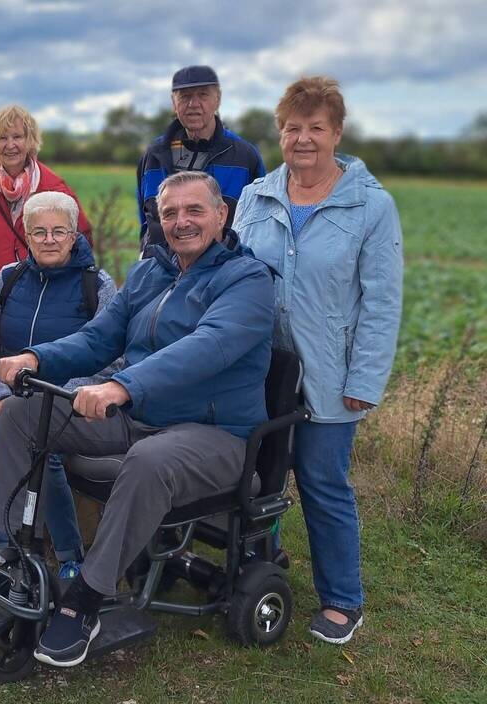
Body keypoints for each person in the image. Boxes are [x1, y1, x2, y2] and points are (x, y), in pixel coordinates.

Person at [0, 172, 274, 668]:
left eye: (194, 210)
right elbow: (98, 337)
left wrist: (122, 386)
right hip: (140, 415)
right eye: (169, 213)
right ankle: (14, 557)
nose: (181, 222)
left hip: (216, 435)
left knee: (149, 461)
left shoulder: (247, 281)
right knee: (23, 413)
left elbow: (207, 347)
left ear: (222, 215)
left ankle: (86, 599)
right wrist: (36, 358)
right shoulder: (151, 274)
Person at [234, 76, 403, 645]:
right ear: (280, 133)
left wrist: (366, 378)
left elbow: (381, 301)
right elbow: (232, 275)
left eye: (315, 128)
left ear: (336, 133)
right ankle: (258, 567)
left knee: (321, 479)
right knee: (257, 473)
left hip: (330, 371)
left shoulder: (369, 206)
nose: (303, 139)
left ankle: (341, 599)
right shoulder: (256, 197)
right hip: (260, 369)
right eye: (292, 128)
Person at [0, 191, 118, 609]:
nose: (48, 239)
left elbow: (110, 351)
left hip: (68, 398)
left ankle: (68, 555)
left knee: (47, 447)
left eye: (58, 231)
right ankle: (8, 554)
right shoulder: (9, 277)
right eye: (38, 231)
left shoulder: (95, 284)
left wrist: (66, 395)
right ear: (25, 234)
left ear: (73, 233)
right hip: (9, 398)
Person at [0, 105, 94, 282]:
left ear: (30, 141)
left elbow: (82, 244)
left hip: (41, 298)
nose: (10, 145)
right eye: (2, 138)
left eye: (17, 137)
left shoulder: (56, 188)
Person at [136, 65, 265, 253]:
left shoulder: (245, 156)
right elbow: (145, 221)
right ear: (174, 103)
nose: (193, 104)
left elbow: (259, 223)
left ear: (217, 99)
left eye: (203, 95)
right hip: (161, 272)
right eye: (185, 96)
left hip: (224, 273)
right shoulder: (153, 155)